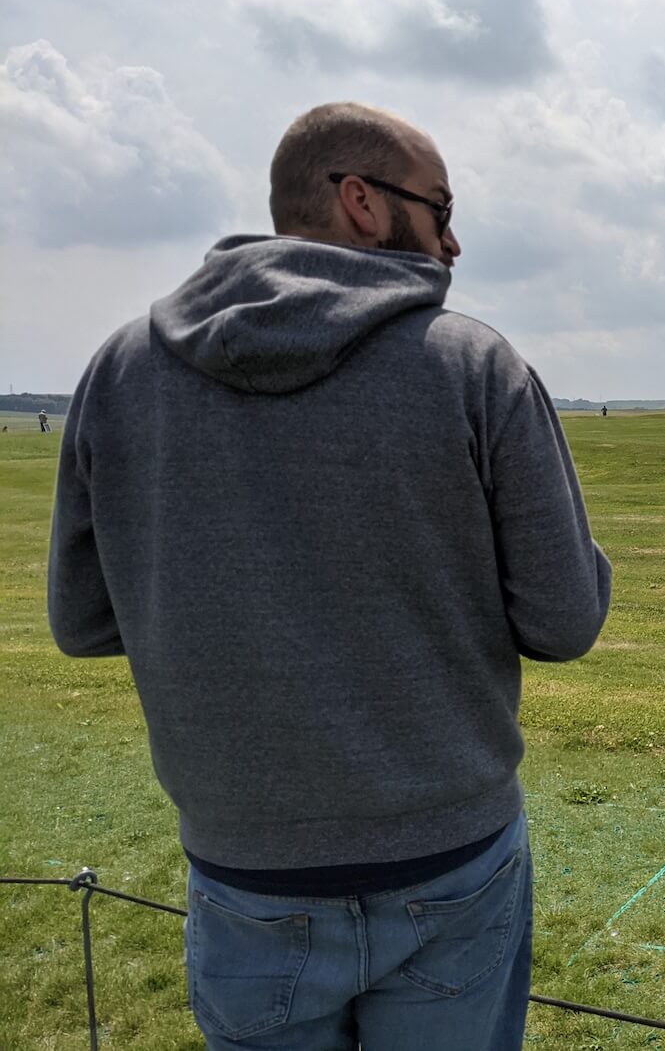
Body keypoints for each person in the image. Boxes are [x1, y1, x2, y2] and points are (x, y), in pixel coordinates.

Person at [47, 102, 612, 1050]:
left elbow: (82, 619)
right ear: (361, 200)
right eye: (440, 207)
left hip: (244, 864)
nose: (453, 240)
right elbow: (565, 618)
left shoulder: (120, 370)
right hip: (450, 856)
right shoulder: (473, 364)